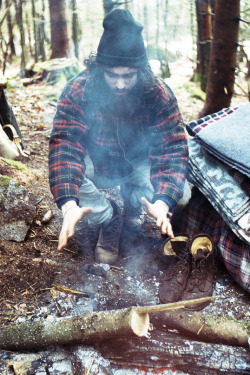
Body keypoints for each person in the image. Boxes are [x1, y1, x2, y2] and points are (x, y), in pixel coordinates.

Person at [49, 9, 189, 265]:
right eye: (112, 75)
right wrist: (68, 205)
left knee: (183, 194)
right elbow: (65, 146)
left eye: (128, 76)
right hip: (98, 166)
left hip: (138, 165)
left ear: (142, 71)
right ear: (99, 69)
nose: (121, 84)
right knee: (69, 179)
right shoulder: (78, 90)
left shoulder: (159, 94)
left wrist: (163, 201)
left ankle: (135, 202)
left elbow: (173, 149)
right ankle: (108, 217)